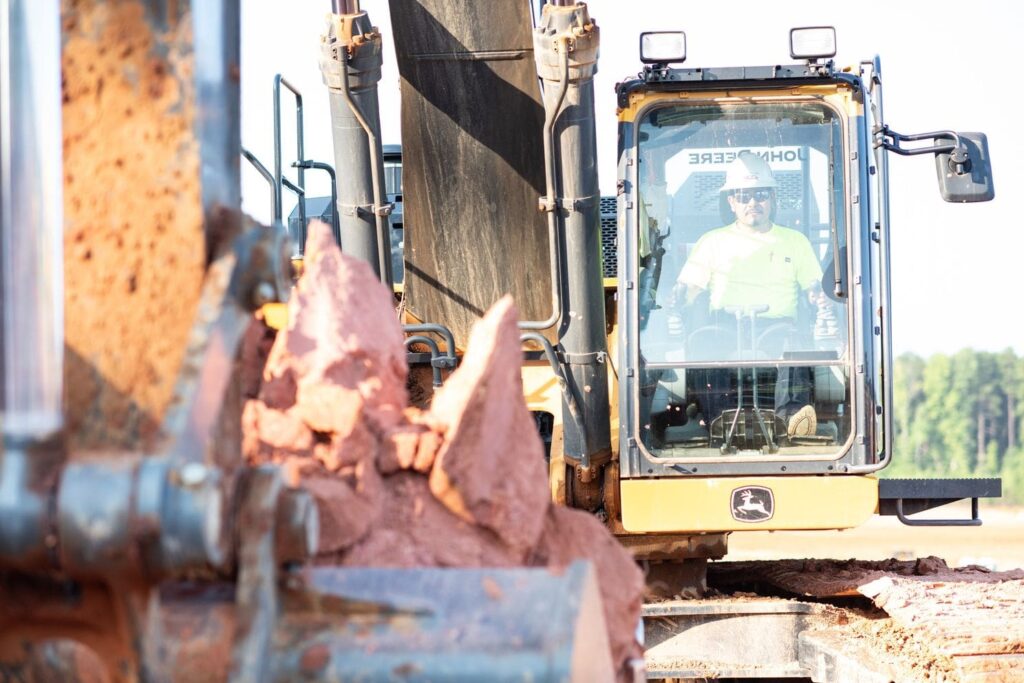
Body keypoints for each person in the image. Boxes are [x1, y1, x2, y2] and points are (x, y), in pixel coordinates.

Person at [668, 151, 824, 438]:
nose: (753, 202)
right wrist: (677, 300)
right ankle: (718, 420)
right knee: (704, 341)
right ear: (731, 202)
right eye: (743, 196)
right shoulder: (712, 241)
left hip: (777, 326)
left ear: (772, 198)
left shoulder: (795, 242)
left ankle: (791, 418)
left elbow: (814, 290)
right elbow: (690, 289)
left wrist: (822, 300)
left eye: (760, 194)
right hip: (725, 325)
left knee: (795, 342)